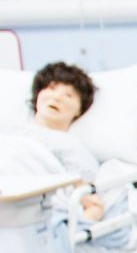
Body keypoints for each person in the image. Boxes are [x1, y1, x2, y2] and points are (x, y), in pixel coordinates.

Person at [17, 62, 105, 222]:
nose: (56, 97)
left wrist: (82, 223)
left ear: (79, 110)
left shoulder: (70, 145)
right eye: (51, 88)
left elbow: (91, 201)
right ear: (38, 94)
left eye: (69, 95)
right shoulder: (10, 131)